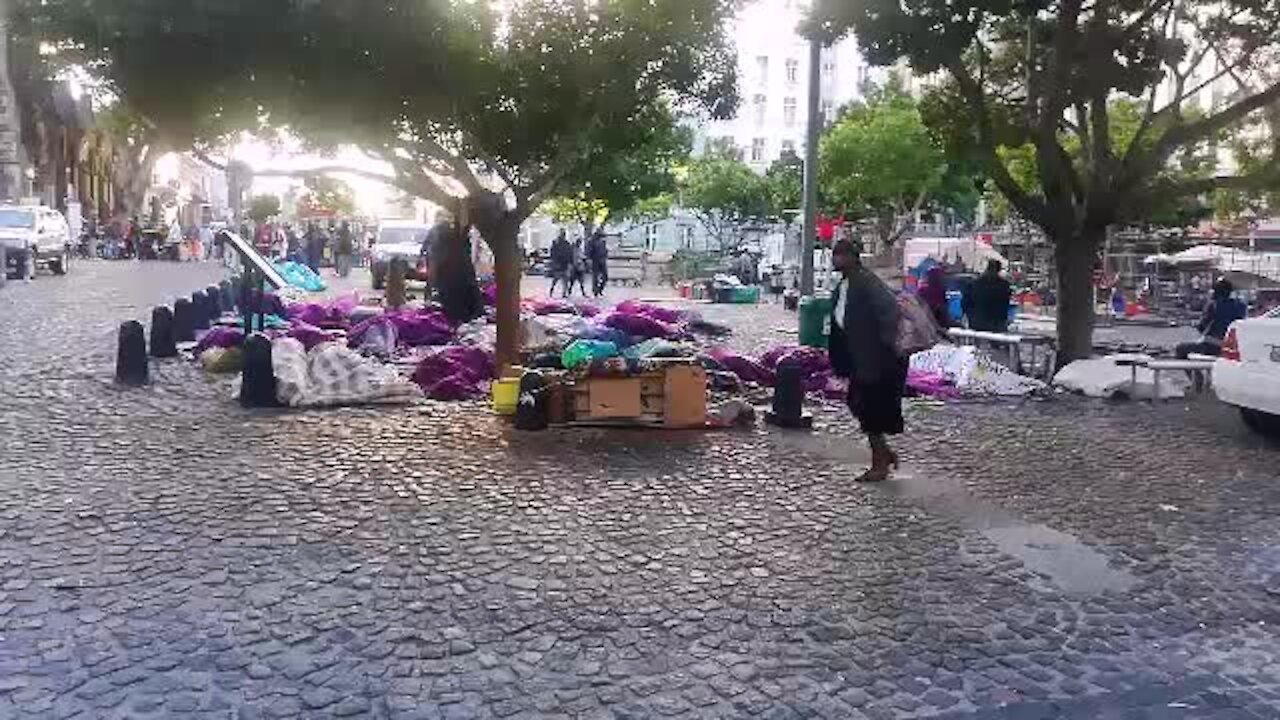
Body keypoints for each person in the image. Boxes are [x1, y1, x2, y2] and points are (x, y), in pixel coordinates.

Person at [827, 238, 906, 483]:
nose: (837, 259)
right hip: (857, 357)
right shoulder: (846, 284)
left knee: (869, 409)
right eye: (835, 254)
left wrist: (881, 345)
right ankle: (883, 453)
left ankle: (879, 463)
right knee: (858, 404)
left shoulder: (866, 282)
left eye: (842, 254)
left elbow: (890, 313)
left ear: (853, 257)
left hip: (874, 358)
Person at [1176, 278, 1247, 358]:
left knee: (1180, 348)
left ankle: (1194, 369)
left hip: (1214, 346)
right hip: (1234, 346)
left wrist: (1195, 324)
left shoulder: (1213, 305)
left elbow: (1202, 328)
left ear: (1216, 292)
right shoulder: (1241, 306)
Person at [962, 259, 1013, 332]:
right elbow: (1005, 304)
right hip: (996, 323)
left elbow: (965, 303)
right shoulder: (1003, 285)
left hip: (977, 322)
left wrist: (970, 316)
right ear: (998, 270)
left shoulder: (974, 284)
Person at [548, 230, 573, 298]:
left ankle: (562, 293)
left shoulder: (565, 243)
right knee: (557, 280)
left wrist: (570, 262)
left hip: (563, 264)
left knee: (564, 280)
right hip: (560, 264)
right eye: (563, 234)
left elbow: (570, 253)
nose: (563, 236)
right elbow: (553, 253)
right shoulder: (557, 243)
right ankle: (552, 291)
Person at [585, 229, 609, 297]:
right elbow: (588, 251)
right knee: (595, 277)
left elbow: (605, 250)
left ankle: (600, 289)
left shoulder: (602, 241)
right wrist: (589, 259)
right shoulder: (591, 241)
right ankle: (595, 291)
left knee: (605, 277)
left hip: (602, 260)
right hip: (595, 261)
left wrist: (605, 255)